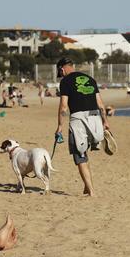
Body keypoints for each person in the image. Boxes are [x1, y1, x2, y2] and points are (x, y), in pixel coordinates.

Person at [55, 58, 109, 197]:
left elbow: (64, 107)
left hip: (78, 120)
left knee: (80, 155)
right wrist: (105, 122)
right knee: (84, 152)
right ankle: (87, 185)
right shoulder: (90, 79)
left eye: (60, 72)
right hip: (95, 118)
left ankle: (91, 191)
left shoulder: (65, 82)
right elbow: (101, 105)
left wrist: (60, 126)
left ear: (62, 69)